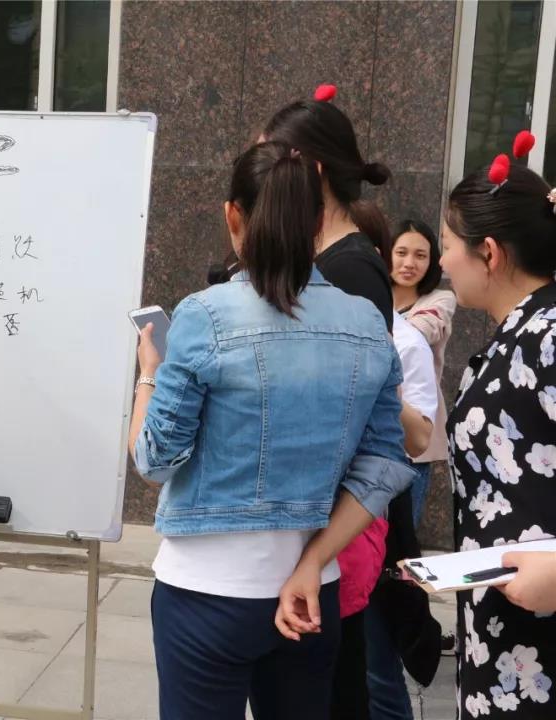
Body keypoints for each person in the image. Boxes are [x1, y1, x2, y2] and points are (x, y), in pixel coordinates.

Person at [130, 141, 414, 720]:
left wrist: (147, 378)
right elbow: (386, 462)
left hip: (205, 591)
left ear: (233, 216)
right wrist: (313, 560)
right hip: (312, 587)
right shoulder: (366, 320)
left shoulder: (204, 315)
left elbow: (154, 459)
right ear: (319, 222)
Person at [262, 93, 430, 719]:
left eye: (271, 164)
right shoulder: (332, 259)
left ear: (308, 170)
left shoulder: (351, 270)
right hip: (331, 516)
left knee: (336, 689)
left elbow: (356, 409)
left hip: (339, 519)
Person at [440, 161, 556, 719]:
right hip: (503, 626)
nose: (442, 262)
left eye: (446, 246)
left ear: (488, 252)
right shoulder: (519, 332)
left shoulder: (548, 334)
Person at [388, 218, 457, 524]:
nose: (409, 263)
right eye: (401, 252)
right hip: (372, 429)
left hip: (416, 430)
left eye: (420, 255)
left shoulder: (440, 300)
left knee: (402, 534)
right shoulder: (371, 296)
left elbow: (423, 329)